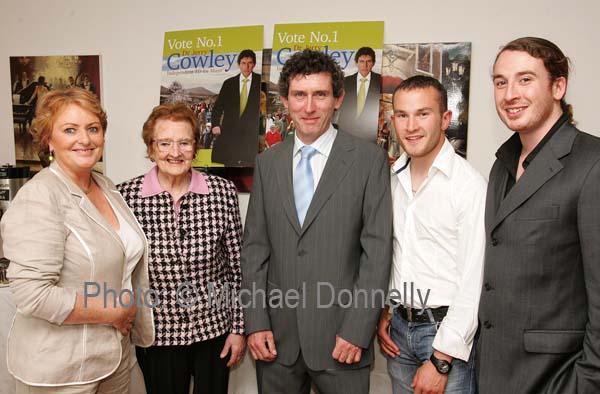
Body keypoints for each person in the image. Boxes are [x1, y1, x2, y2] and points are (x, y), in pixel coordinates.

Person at [241, 49, 392, 394]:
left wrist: (357, 329)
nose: (309, 107)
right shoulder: (268, 163)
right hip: (276, 343)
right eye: (299, 95)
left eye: (320, 95)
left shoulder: (369, 161)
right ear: (285, 100)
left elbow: (377, 253)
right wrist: (256, 322)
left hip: (343, 342)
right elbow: (255, 250)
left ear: (338, 99)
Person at [0, 87, 154, 393]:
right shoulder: (39, 197)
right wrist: (115, 311)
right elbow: (33, 294)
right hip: (60, 367)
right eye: (70, 130)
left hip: (114, 354)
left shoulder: (106, 186)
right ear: (48, 139)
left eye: (93, 129)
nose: (84, 139)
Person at [477, 36, 600, 393]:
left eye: (525, 79)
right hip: (495, 371)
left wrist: (585, 384)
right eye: (501, 82)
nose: (510, 93)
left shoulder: (591, 163)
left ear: (558, 86)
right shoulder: (502, 165)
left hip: (557, 378)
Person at [118, 102, 245, 394]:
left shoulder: (222, 193)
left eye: (184, 143)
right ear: (150, 148)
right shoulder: (125, 196)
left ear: (195, 147)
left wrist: (238, 329)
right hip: (158, 335)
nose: (174, 152)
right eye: (164, 143)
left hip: (214, 332)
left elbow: (237, 269)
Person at [376, 76, 486, 394]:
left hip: (445, 336)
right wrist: (387, 307)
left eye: (423, 114)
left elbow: (474, 281)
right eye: (403, 115)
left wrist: (441, 359)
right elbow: (395, 253)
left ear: (445, 119)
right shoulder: (391, 180)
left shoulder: (468, 186)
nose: (411, 126)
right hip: (399, 329)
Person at [211, 49, 261, 166]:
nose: (246, 66)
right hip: (230, 135)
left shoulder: (261, 82)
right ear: (238, 64)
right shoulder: (229, 83)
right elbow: (218, 106)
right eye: (243, 63)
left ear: (254, 64)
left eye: (250, 63)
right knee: (230, 169)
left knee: (250, 170)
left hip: (250, 136)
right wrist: (215, 125)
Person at [336, 46, 382, 142]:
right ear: (356, 63)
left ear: (373, 63)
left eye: (368, 61)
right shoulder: (345, 81)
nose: (365, 65)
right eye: (361, 61)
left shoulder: (380, 81)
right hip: (347, 132)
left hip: (369, 134)